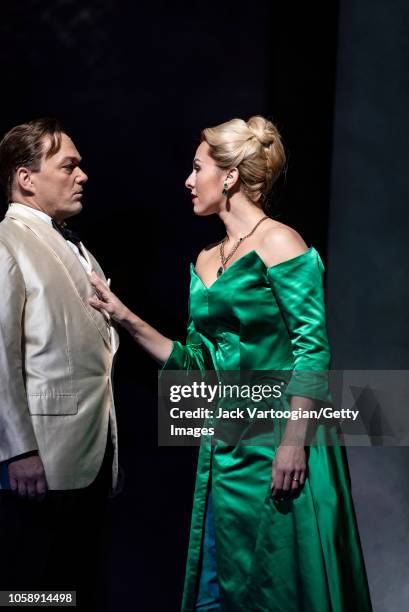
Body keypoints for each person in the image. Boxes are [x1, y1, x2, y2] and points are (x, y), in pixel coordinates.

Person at [88, 115, 372, 611]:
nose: (188, 180)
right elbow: (196, 364)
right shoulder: (204, 260)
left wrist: (293, 444)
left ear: (230, 176)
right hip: (228, 445)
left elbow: (313, 350)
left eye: (197, 168)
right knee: (224, 584)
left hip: (283, 440)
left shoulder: (280, 243)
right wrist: (125, 318)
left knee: (281, 583)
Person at [0, 118, 120, 609]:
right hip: (42, 458)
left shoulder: (72, 243)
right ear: (27, 178)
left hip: (86, 448)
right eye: (68, 165)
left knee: (75, 586)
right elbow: (0, 356)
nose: (82, 175)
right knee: (36, 592)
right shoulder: (8, 241)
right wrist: (16, 450)